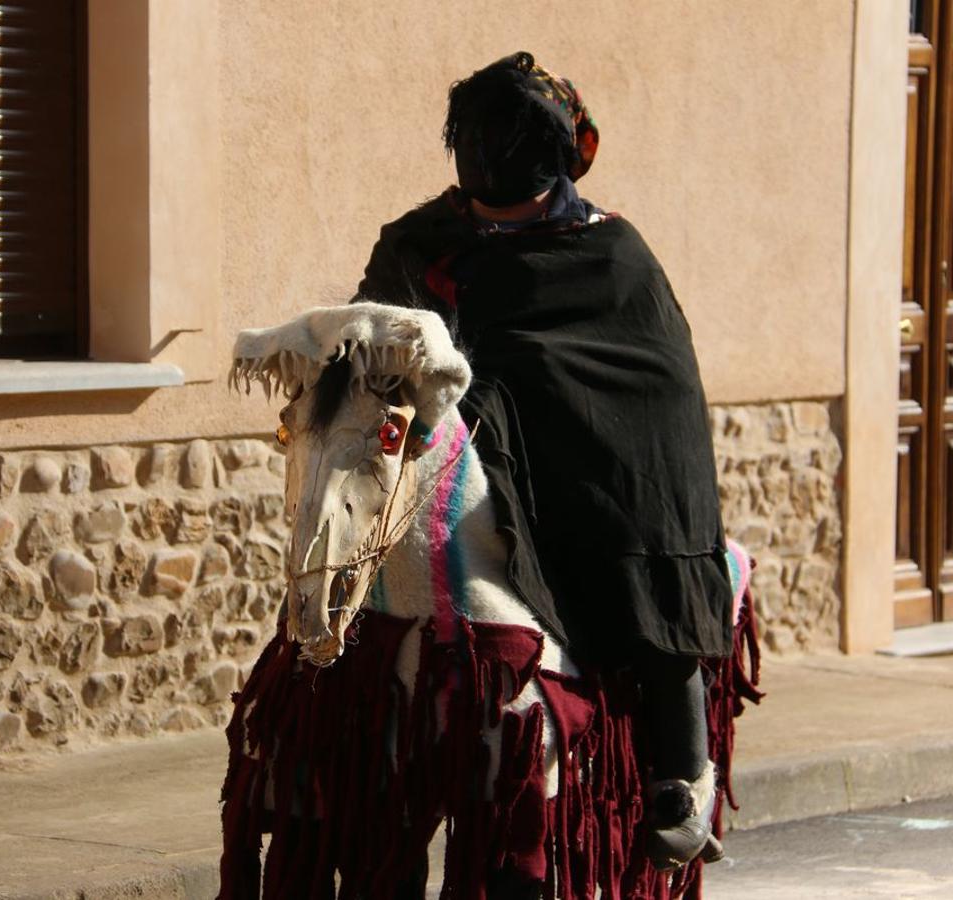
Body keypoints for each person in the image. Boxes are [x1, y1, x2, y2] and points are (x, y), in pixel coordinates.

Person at [354, 52, 734, 873]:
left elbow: (654, 383)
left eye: (516, 179)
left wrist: (530, 387)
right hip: (457, 451)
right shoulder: (419, 245)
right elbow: (372, 340)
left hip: (598, 458)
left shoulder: (614, 255)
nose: (498, 197)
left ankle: (683, 768)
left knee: (646, 502)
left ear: (562, 160)